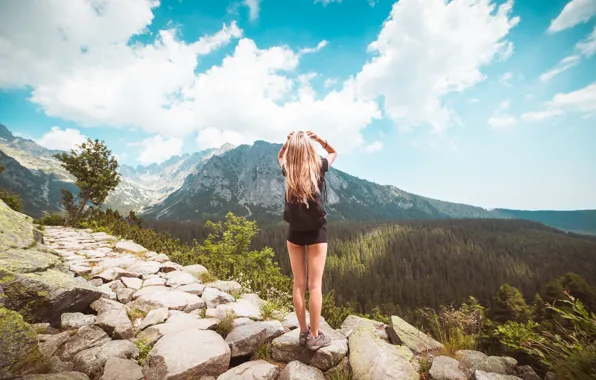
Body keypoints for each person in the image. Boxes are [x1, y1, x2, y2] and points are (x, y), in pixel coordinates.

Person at [278, 130, 337, 351]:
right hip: (317, 234)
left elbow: (280, 157)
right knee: (315, 286)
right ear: (309, 149)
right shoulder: (319, 166)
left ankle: (303, 332)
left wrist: (287, 143)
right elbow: (334, 152)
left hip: (294, 234)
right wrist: (320, 139)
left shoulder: (289, 171)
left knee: (298, 285)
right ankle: (314, 336)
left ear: (293, 150)